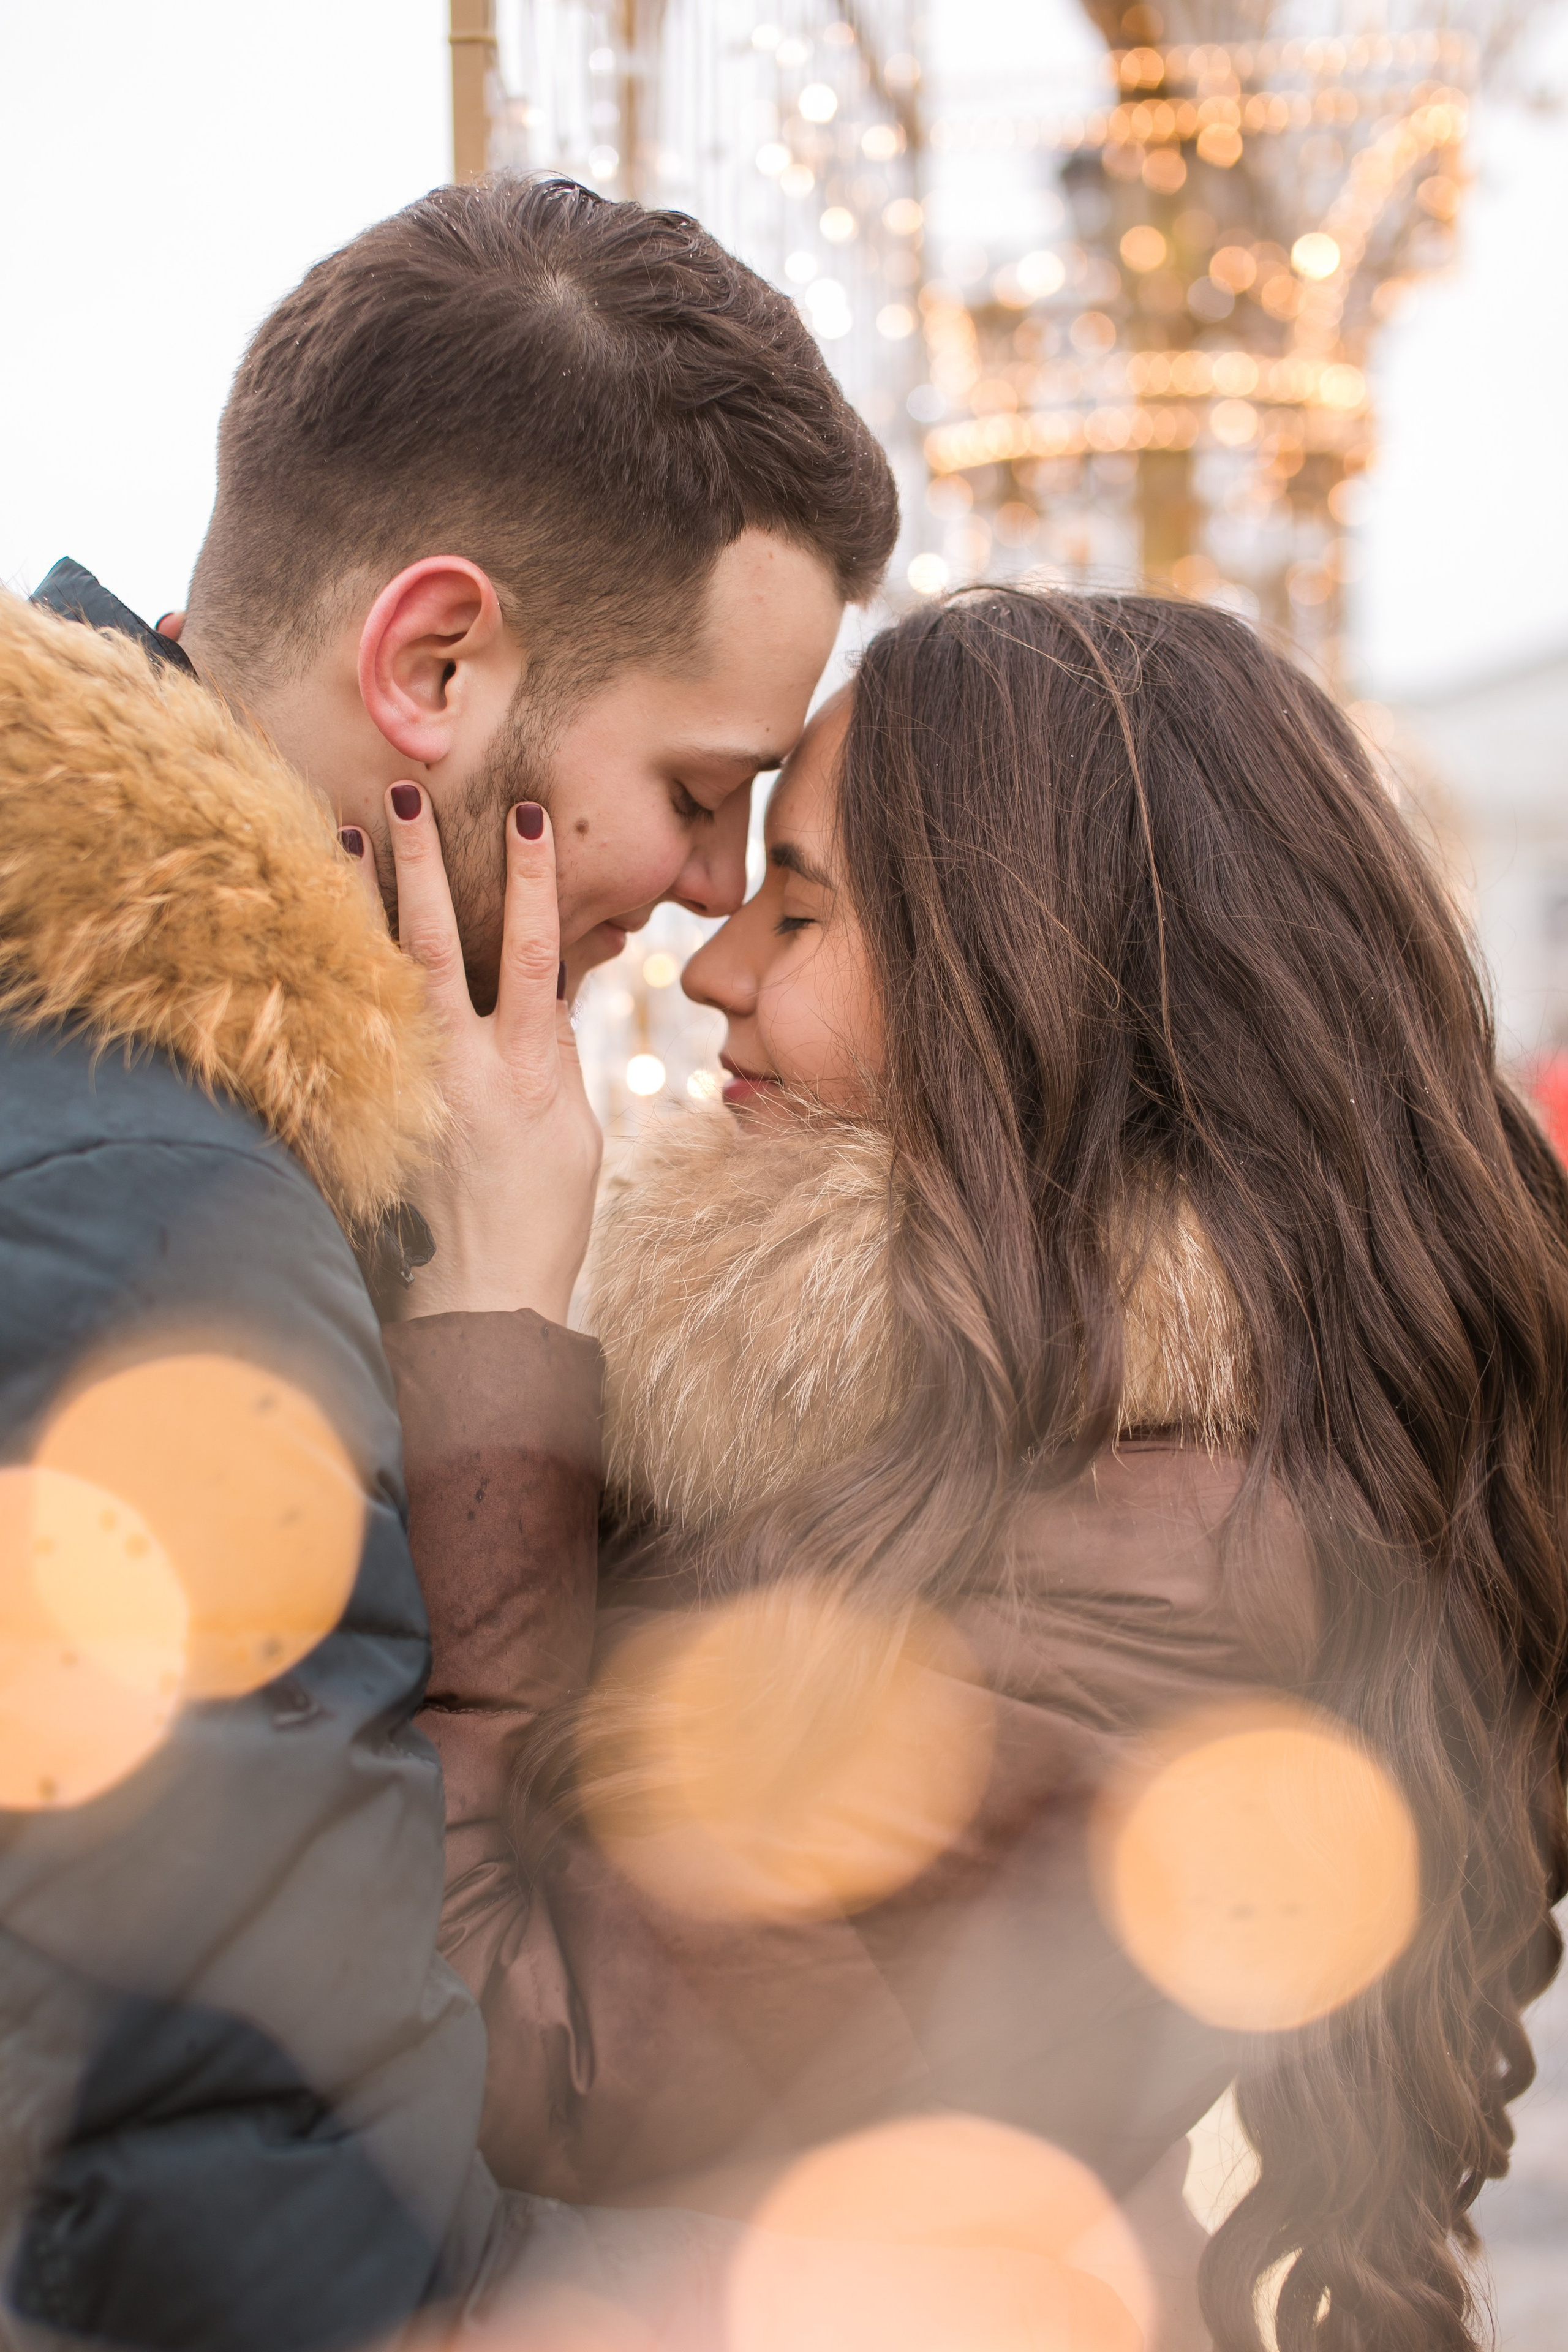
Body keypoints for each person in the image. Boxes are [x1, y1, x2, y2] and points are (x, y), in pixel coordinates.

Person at [404, 588, 1568, 2352]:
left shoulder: (1153, 1568)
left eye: (800, 906)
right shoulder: (944, 1436)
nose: (714, 967)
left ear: (1026, 995)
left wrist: (489, 1334)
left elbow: (526, 2053)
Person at [2, 173, 895, 2349]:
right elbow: (236, 2211)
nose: (700, 895)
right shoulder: (150, 1196)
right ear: (434, 664)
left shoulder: (148, 1088)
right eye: (698, 790)